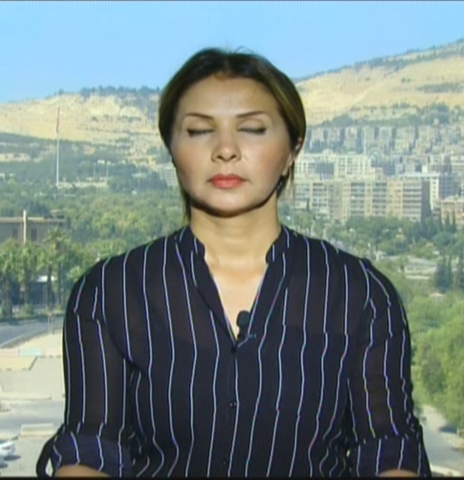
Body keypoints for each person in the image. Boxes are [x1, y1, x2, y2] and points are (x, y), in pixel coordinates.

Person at [36, 47, 431, 477]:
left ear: (293, 148)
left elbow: (390, 451)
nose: (226, 150)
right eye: (199, 131)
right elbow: (90, 451)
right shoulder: (110, 293)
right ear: (171, 147)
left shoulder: (360, 295)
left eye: (253, 129)